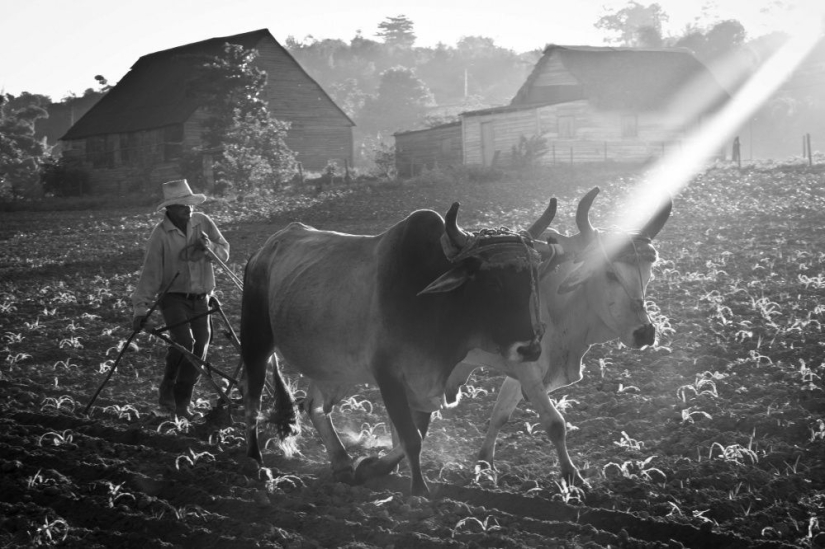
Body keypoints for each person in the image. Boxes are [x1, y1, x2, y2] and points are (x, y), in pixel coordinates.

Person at [131, 179, 230, 419]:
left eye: (189, 204)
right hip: (173, 297)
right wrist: (140, 310)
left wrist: (210, 249)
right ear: (170, 209)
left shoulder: (202, 222)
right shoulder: (161, 235)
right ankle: (174, 395)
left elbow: (224, 251)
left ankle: (182, 395)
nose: (188, 209)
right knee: (185, 343)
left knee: (201, 346)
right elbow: (151, 272)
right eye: (182, 206)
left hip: (202, 296)